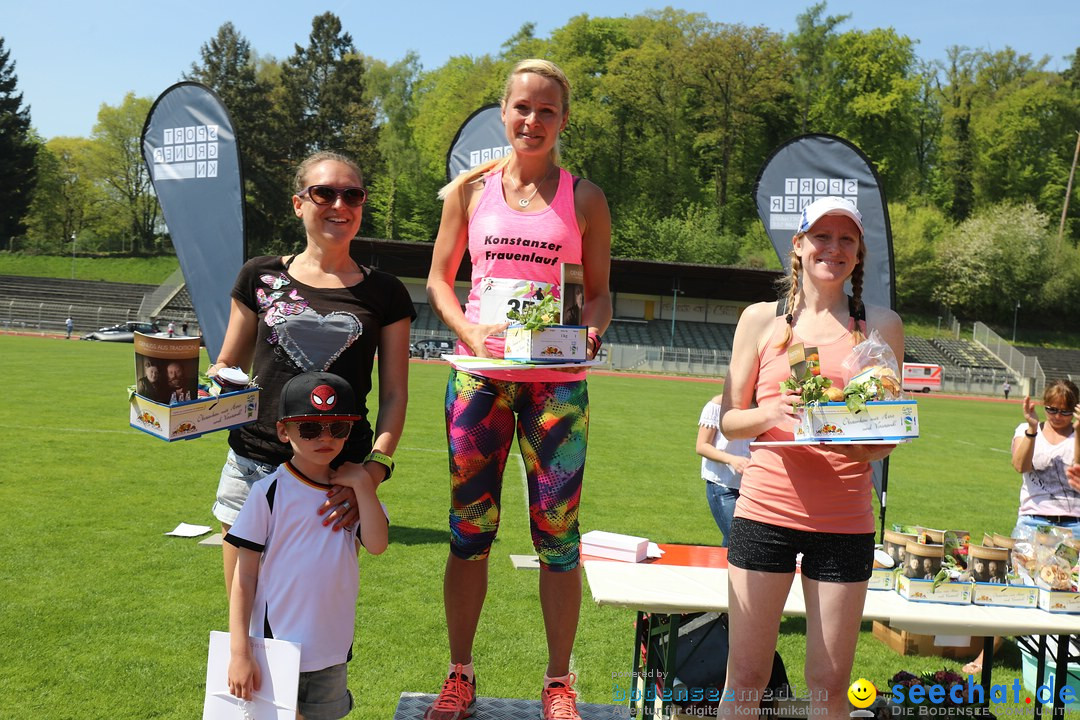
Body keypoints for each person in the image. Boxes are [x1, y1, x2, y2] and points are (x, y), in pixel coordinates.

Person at [424, 59, 612, 720]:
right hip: (480, 383)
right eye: (521, 108)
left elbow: (597, 294)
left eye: (547, 111)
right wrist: (469, 332)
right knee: (469, 532)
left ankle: (559, 683)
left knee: (558, 537)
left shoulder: (584, 198)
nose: (532, 121)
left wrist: (587, 336)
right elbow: (439, 282)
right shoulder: (468, 193)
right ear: (504, 112)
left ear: (564, 120)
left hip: (555, 392)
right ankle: (459, 673)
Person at [718, 196, 904, 718]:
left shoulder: (880, 325)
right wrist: (771, 411)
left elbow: (886, 437)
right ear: (798, 246)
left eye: (846, 239)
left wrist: (846, 434)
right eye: (821, 236)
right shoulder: (760, 320)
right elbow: (730, 420)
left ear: (859, 252)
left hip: (845, 519)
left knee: (828, 684)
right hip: (765, 512)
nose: (833, 248)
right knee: (747, 677)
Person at [208, 149, 414, 602]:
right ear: (299, 203)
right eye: (324, 193)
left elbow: (395, 395)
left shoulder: (386, 292)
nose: (339, 205)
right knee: (247, 621)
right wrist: (197, 394)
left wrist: (374, 471)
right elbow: (228, 366)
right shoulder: (259, 275)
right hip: (253, 466)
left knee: (314, 618)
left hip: (335, 476)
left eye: (352, 195)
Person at [225, 371, 388, 719]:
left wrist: (363, 482)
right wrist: (239, 651)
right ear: (284, 431)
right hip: (275, 650)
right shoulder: (267, 493)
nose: (324, 437)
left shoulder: (352, 496)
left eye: (337, 428)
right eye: (310, 428)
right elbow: (245, 576)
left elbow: (376, 544)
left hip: (331, 650)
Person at [965, 380, 1080, 675]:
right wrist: (1031, 427)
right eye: (1051, 409)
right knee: (1015, 593)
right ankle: (984, 657)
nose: (1057, 416)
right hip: (1033, 521)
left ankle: (1064, 661)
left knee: (1070, 593)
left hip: (1073, 527)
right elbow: (1019, 465)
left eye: (1064, 411)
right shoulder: (1028, 430)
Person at [696, 393, 751, 547]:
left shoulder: (765, 406)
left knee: (737, 543)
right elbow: (702, 446)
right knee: (738, 541)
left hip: (754, 488)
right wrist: (732, 459)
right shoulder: (717, 405)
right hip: (723, 485)